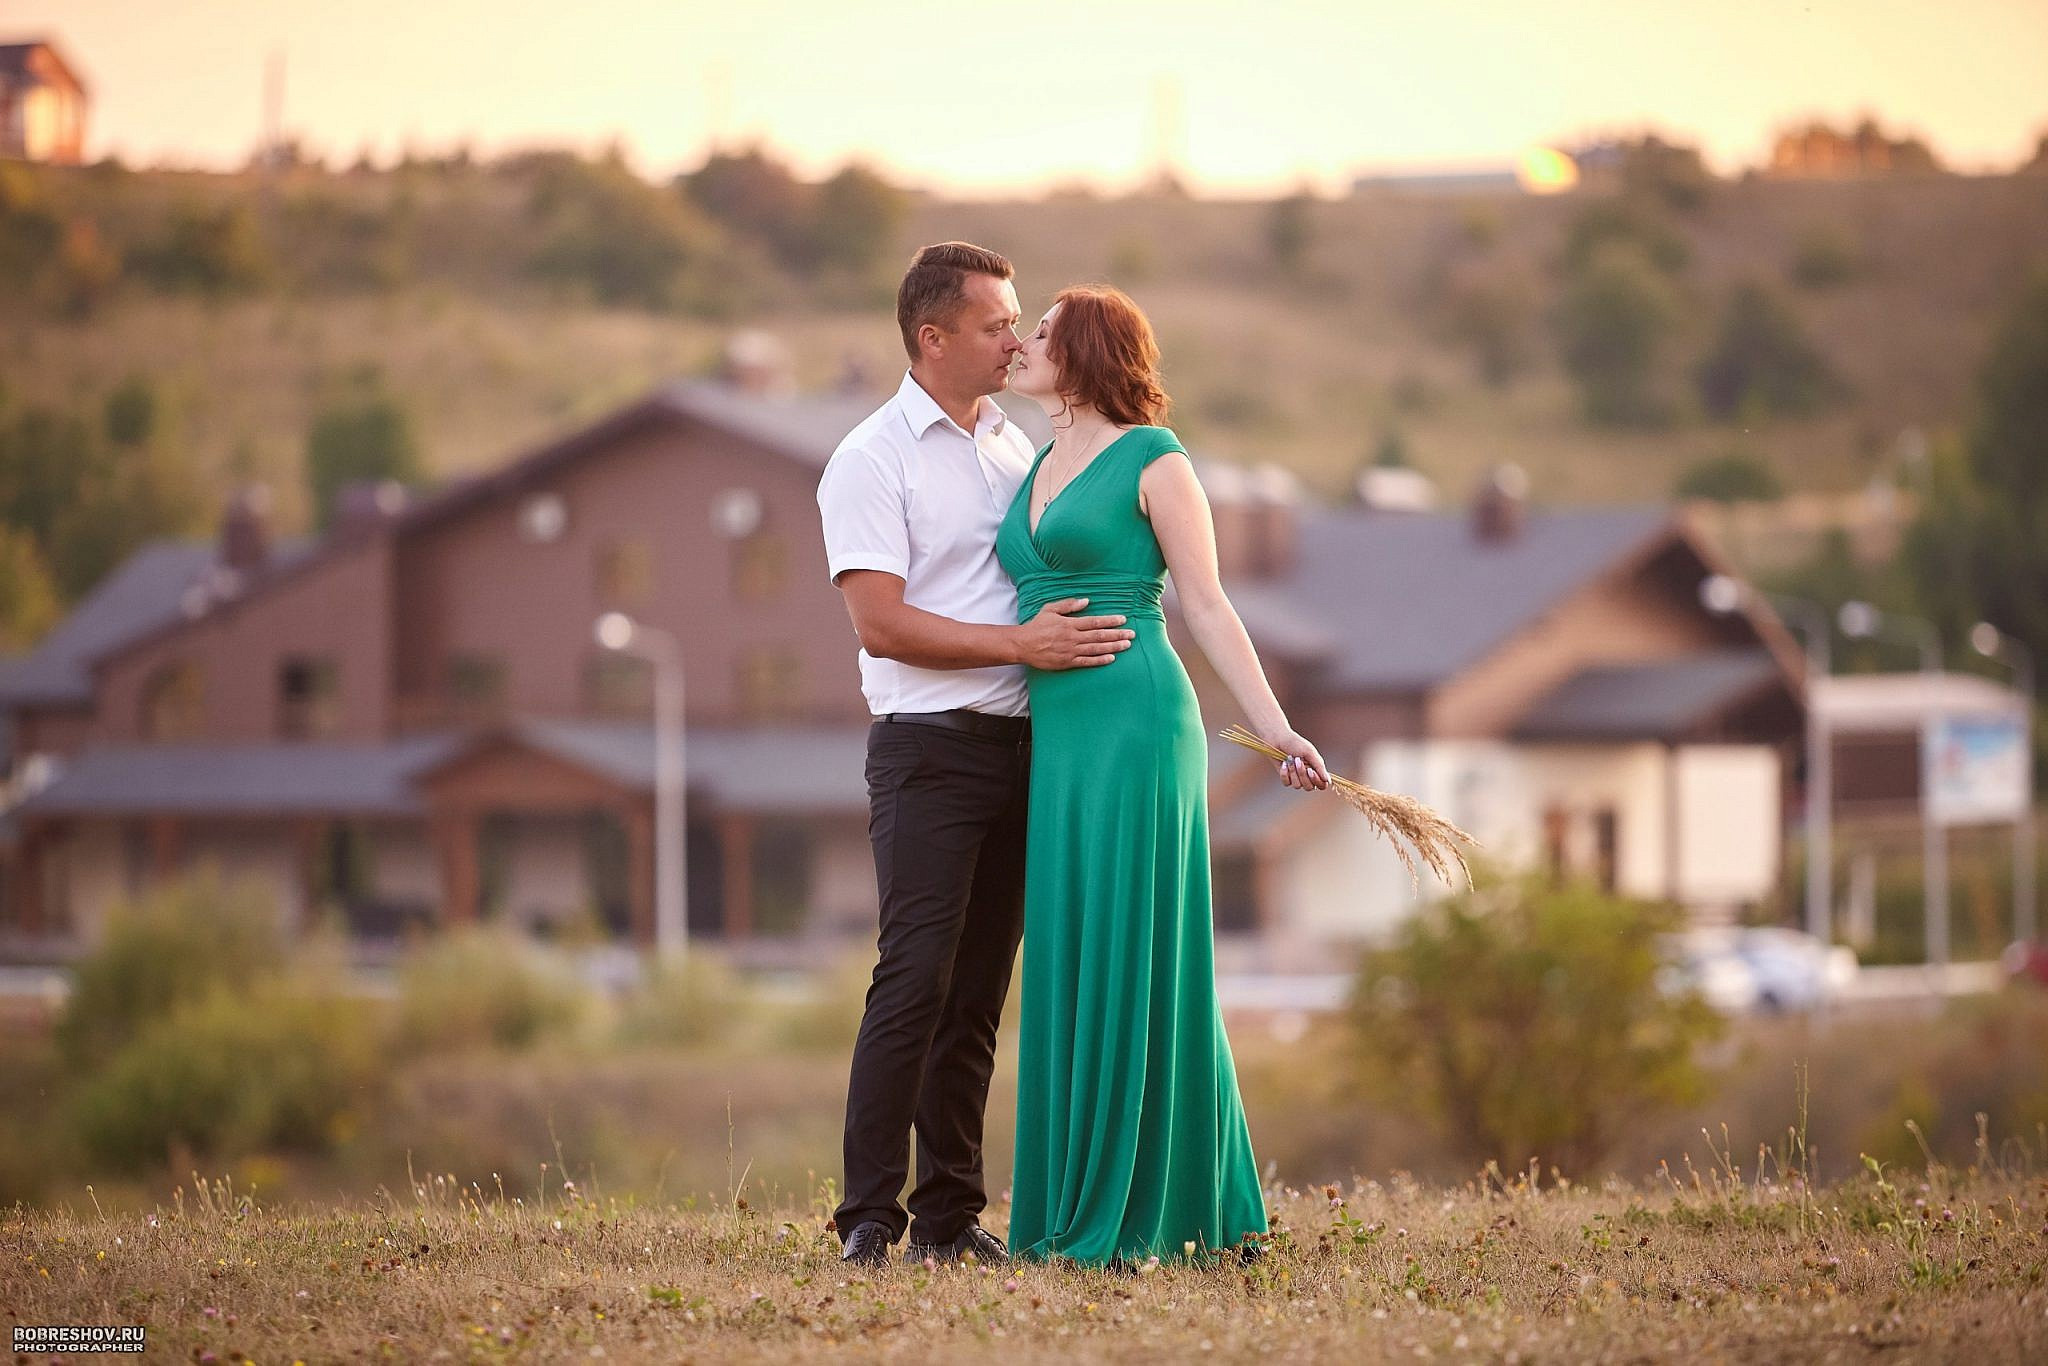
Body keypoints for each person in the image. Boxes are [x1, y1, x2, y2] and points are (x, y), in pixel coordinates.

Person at [815, 242, 1139, 1269]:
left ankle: (949, 1217)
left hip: (1027, 751)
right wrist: (1019, 646)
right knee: (911, 978)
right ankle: (868, 1217)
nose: (1016, 337)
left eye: (1016, 322)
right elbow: (879, 622)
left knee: (977, 997)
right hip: (927, 750)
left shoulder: (1016, 448)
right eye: (998, 322)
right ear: (932, 335)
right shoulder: (869, 459)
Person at [997, 284, 1330, 1268]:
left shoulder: (1156, 459)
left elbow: (1210, 608)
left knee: (1141, 953)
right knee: (1071, 947)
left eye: (1043, 333)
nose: (1021, 342)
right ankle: (1073, 1202)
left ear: (1087, 351)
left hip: (1137, 718)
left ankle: (1170, 1208)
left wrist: (1273, 731)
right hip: (1059, 731)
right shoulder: (1035, 460)